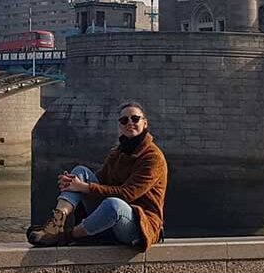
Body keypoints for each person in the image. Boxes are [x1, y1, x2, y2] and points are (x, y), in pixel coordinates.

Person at [27, 101, 167, 249]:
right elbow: (98, 181)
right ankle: (56, 224)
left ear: (145, 123)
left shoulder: (153, 157)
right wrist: (72, 182)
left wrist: (83, 187)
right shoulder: (118, 152)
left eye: (135, 119)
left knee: (113, 205)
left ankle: (65, 236)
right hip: (109, 218)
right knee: (80, 171)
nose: (130, 123)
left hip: (138, 225)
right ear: (120, 125)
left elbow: (127, 194)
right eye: (124, 120)